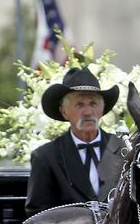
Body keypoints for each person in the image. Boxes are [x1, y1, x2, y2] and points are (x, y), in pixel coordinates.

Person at [24, 66, 125, 216]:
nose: (88, 112)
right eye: (79, 104)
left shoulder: (124, 150)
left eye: (93, 104)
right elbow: (38, 217)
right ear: (64, 112)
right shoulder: (46, 157)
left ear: (102, 110)